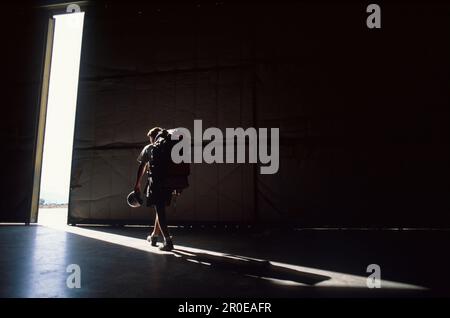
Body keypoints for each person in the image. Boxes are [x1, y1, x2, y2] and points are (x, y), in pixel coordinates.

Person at [134, 127, 174, 251]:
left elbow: (142, 166)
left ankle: (168, 241)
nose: (150, 140)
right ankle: (154, 236)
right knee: (160, 209)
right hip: (168, 183)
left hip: (156, 184)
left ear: (153, 136)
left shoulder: (149, 148)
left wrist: (137, 184)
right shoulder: (167, 148)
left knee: (160, 211)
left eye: (150, 137)